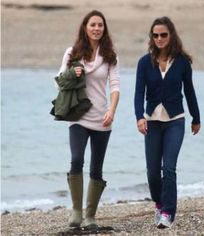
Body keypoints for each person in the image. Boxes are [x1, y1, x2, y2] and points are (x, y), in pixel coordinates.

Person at [134, 16, 200, 229]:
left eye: (163, 34)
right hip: (152, 122)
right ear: (151, 38)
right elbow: (138, 94)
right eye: (155, 35)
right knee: (152, 173)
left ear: (171, 35)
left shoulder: (182, 62)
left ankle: (168, 213)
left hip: (175, 121)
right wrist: (139, 117)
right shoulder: (144, 63)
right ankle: (160, 203)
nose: (160, 38)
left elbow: (189, 92)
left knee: (168, 168)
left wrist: (196, 118)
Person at [55, 10, 120, 229]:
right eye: (92, 24)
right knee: (76, 159)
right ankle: (76, 211)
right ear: (85, 27)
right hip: (79, 117)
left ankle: (90, 215)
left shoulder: (110, 55)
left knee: (96, 167)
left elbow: (115, 86)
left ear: (104, 28)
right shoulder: (72, 53)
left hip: (103, 117)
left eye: (100, 25)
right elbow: (59, 83)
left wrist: (111, 110)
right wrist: (75, 74)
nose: (96, 28)